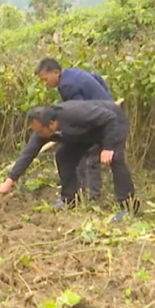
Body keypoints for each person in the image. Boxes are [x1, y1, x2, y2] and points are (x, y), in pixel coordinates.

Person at [0, 100, 139, 222]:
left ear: (52, 124)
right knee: (63, 155)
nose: (39, 135)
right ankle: (70, 199)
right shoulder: (43, 131)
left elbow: (110, 118)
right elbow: (28, 153)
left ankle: (128, 207)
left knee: (116, 158)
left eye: (41, 131)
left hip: (111, 123)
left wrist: (108, 147)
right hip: (85, 133)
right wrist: (10, 181)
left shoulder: (75, 114)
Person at [35, 58, 113, 201]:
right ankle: (81, 195)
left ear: (56, 72)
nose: (45, 84)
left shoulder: (67, 86)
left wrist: (68, 134)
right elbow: (97, 78)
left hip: (99, 121)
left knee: (88, 156)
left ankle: (91, 198)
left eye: (46, 79)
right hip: (104, 112)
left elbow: (80, 112)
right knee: (72, 153)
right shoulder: (71, 74)